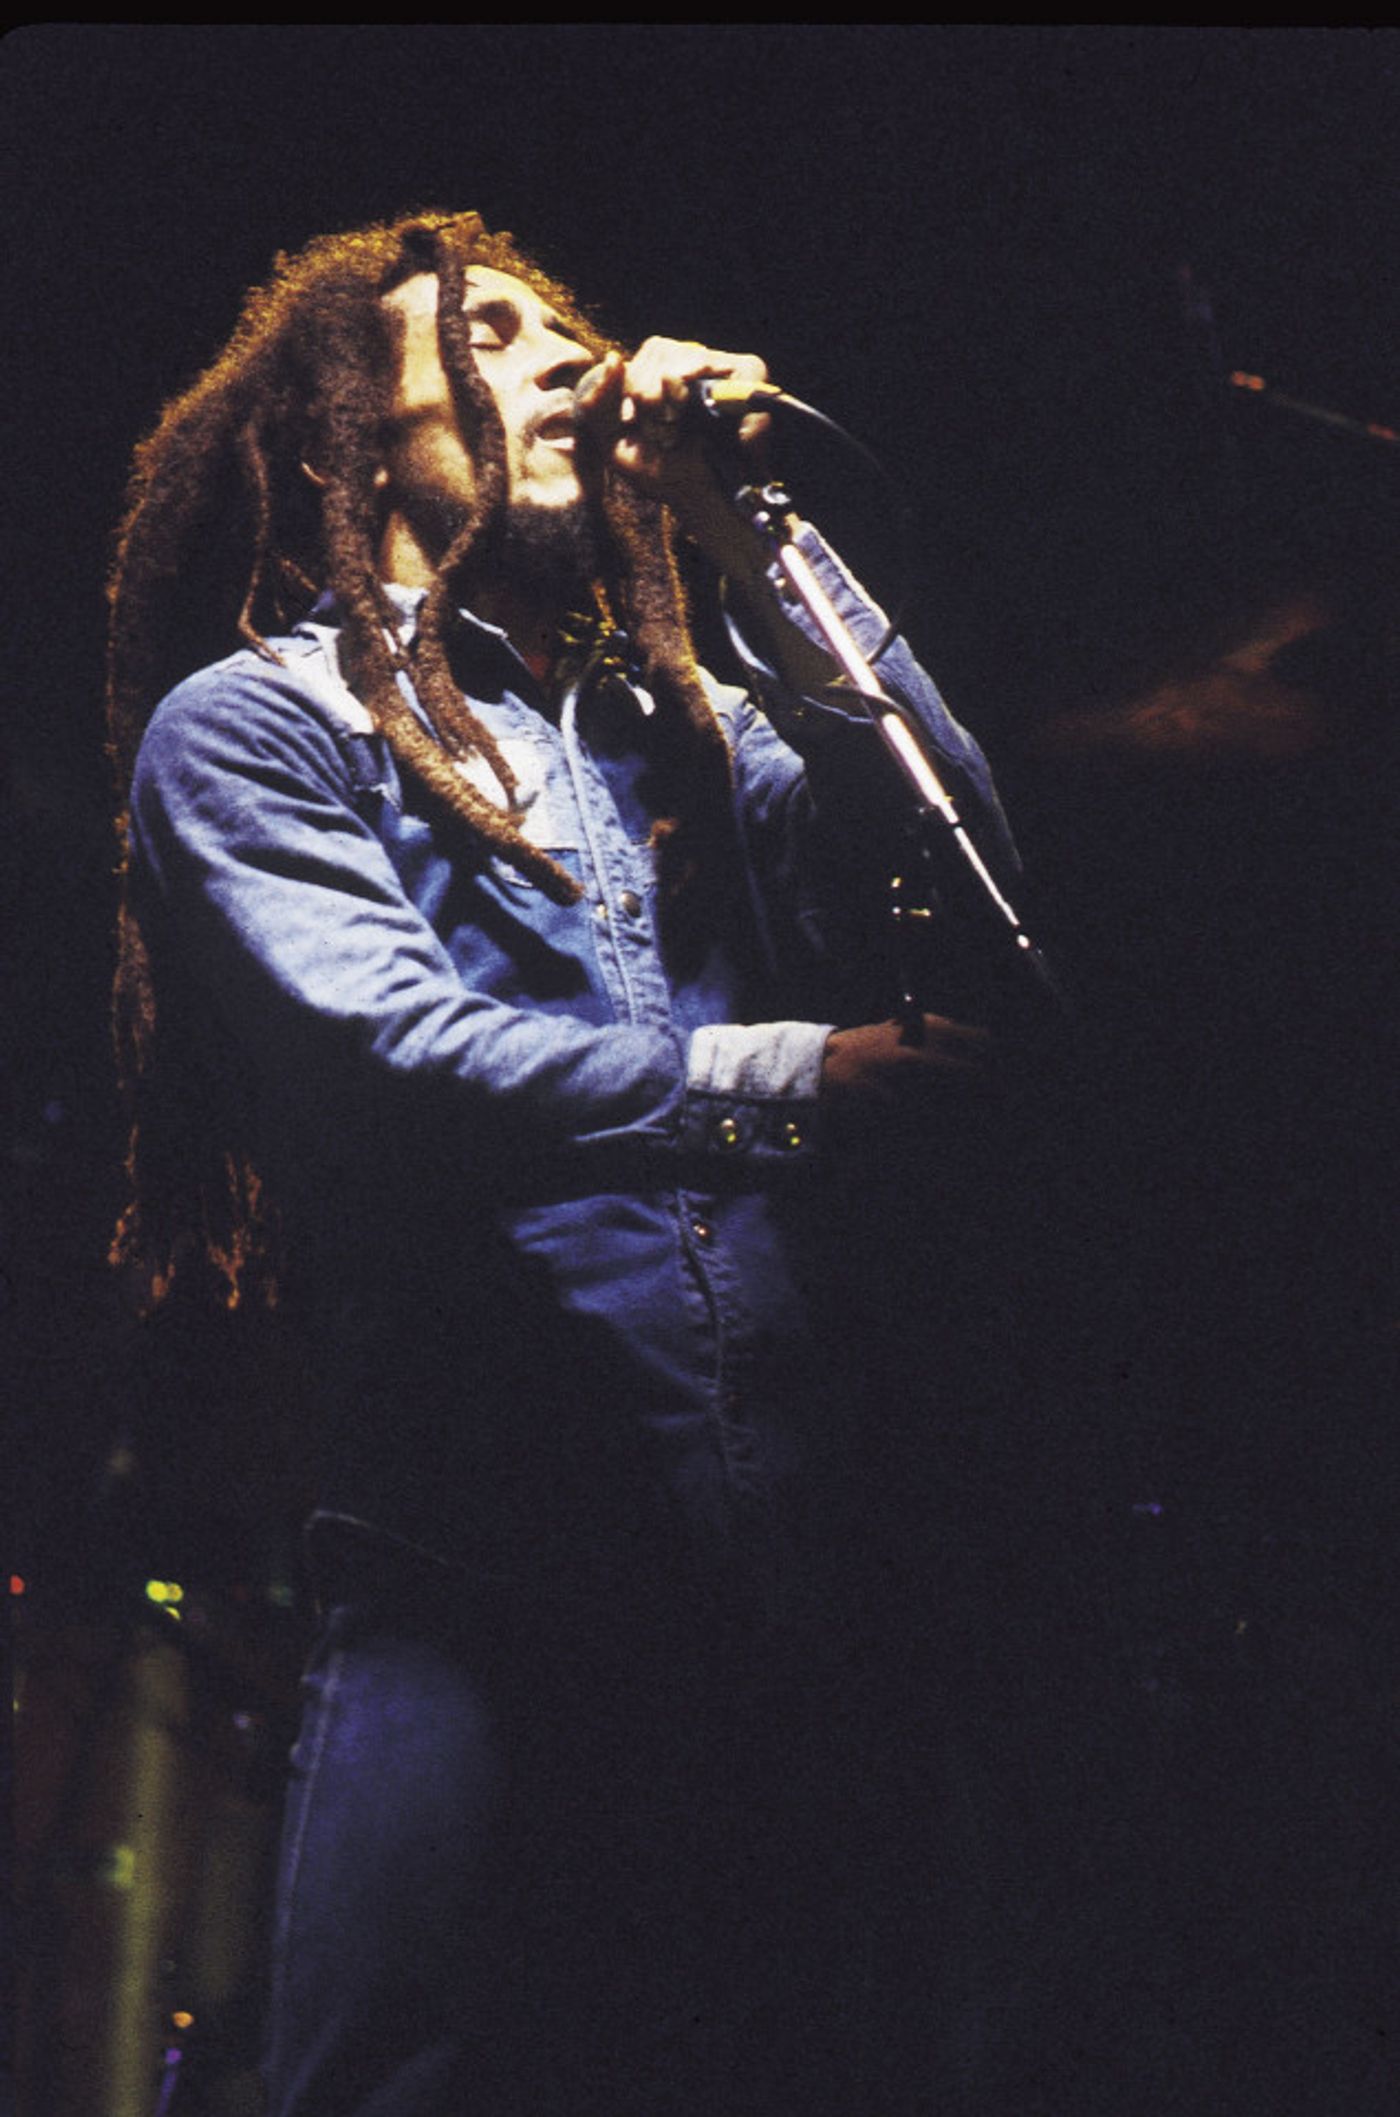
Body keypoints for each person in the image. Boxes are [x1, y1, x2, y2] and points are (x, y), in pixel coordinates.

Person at [107, 209, 1022, 2115]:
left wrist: (762, 541)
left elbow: (958, 866)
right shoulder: (261, 727)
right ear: (361, 423)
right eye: (494, 332)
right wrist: (793, 1078)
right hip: (476, 1589)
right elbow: (393, 1052)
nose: (560, 361)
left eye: (566, 331)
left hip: (775, 1592)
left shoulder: (675, 726)